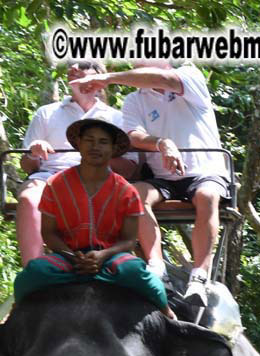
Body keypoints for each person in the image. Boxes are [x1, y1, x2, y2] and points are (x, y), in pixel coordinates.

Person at [74, 61, 230, 287]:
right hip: (163, 177)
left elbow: (163, 79)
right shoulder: (134, 100)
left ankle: (199, 274)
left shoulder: (189, 74)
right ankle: (157, 266)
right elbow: (133, 135)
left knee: (206, 196)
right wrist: (161, 143)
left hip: (203, 171)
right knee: (134, 194)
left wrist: (107, 78)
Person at [13, 118, 174, 320]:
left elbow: (129, 240)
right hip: (67, 258)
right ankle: (15, 316)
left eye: (103, 142)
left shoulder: (127, 191)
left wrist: (103, 255)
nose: (95, 146)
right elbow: (49, 232)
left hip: (111, 260)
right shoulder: (56, 184)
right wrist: (73, 256)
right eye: (89, 140)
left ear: (113, 149)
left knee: (141, 275)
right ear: (78, 144)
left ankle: (169, 316)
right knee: (33, 273)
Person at [16, 60, 135, 266]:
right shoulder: (46, 113)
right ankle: (33, 268)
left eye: (84, 64)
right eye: (71, 64)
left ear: (99, 77)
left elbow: (131, 168)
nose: (74, 67)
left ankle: (115, 263)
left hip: (98, 177)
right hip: (50, 176)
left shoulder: (116, 117)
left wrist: (101, 155)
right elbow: (27, 165)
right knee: (28, 198)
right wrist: (35, 152)